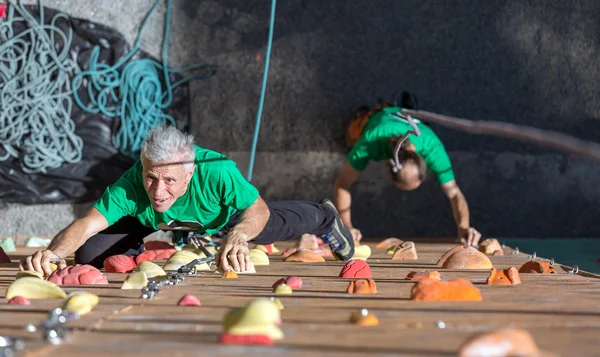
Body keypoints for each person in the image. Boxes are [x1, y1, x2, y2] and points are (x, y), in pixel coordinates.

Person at [21, 126, 355, 275]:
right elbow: (86, 223)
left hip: (221, 219)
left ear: (190, 173)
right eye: (151, 177)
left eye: (169, 180)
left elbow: (258, 208)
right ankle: (139, 253)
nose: (158, 191)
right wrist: (54, 252)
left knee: (273, 225)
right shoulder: (133, 184)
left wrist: (238, 235)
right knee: (90, 253)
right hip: (152, 222)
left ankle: (324, 216)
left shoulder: (217, 171)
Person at [334, 92, 481, 246]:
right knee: (351, 138)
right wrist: (346, 226)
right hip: (379, 120)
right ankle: (368, 114)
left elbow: (454, 193)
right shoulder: (371, 141)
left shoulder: (433, 148)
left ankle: (399, 107)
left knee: (354, 154)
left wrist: (464, 226)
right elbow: (342, 183)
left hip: (392, 124)